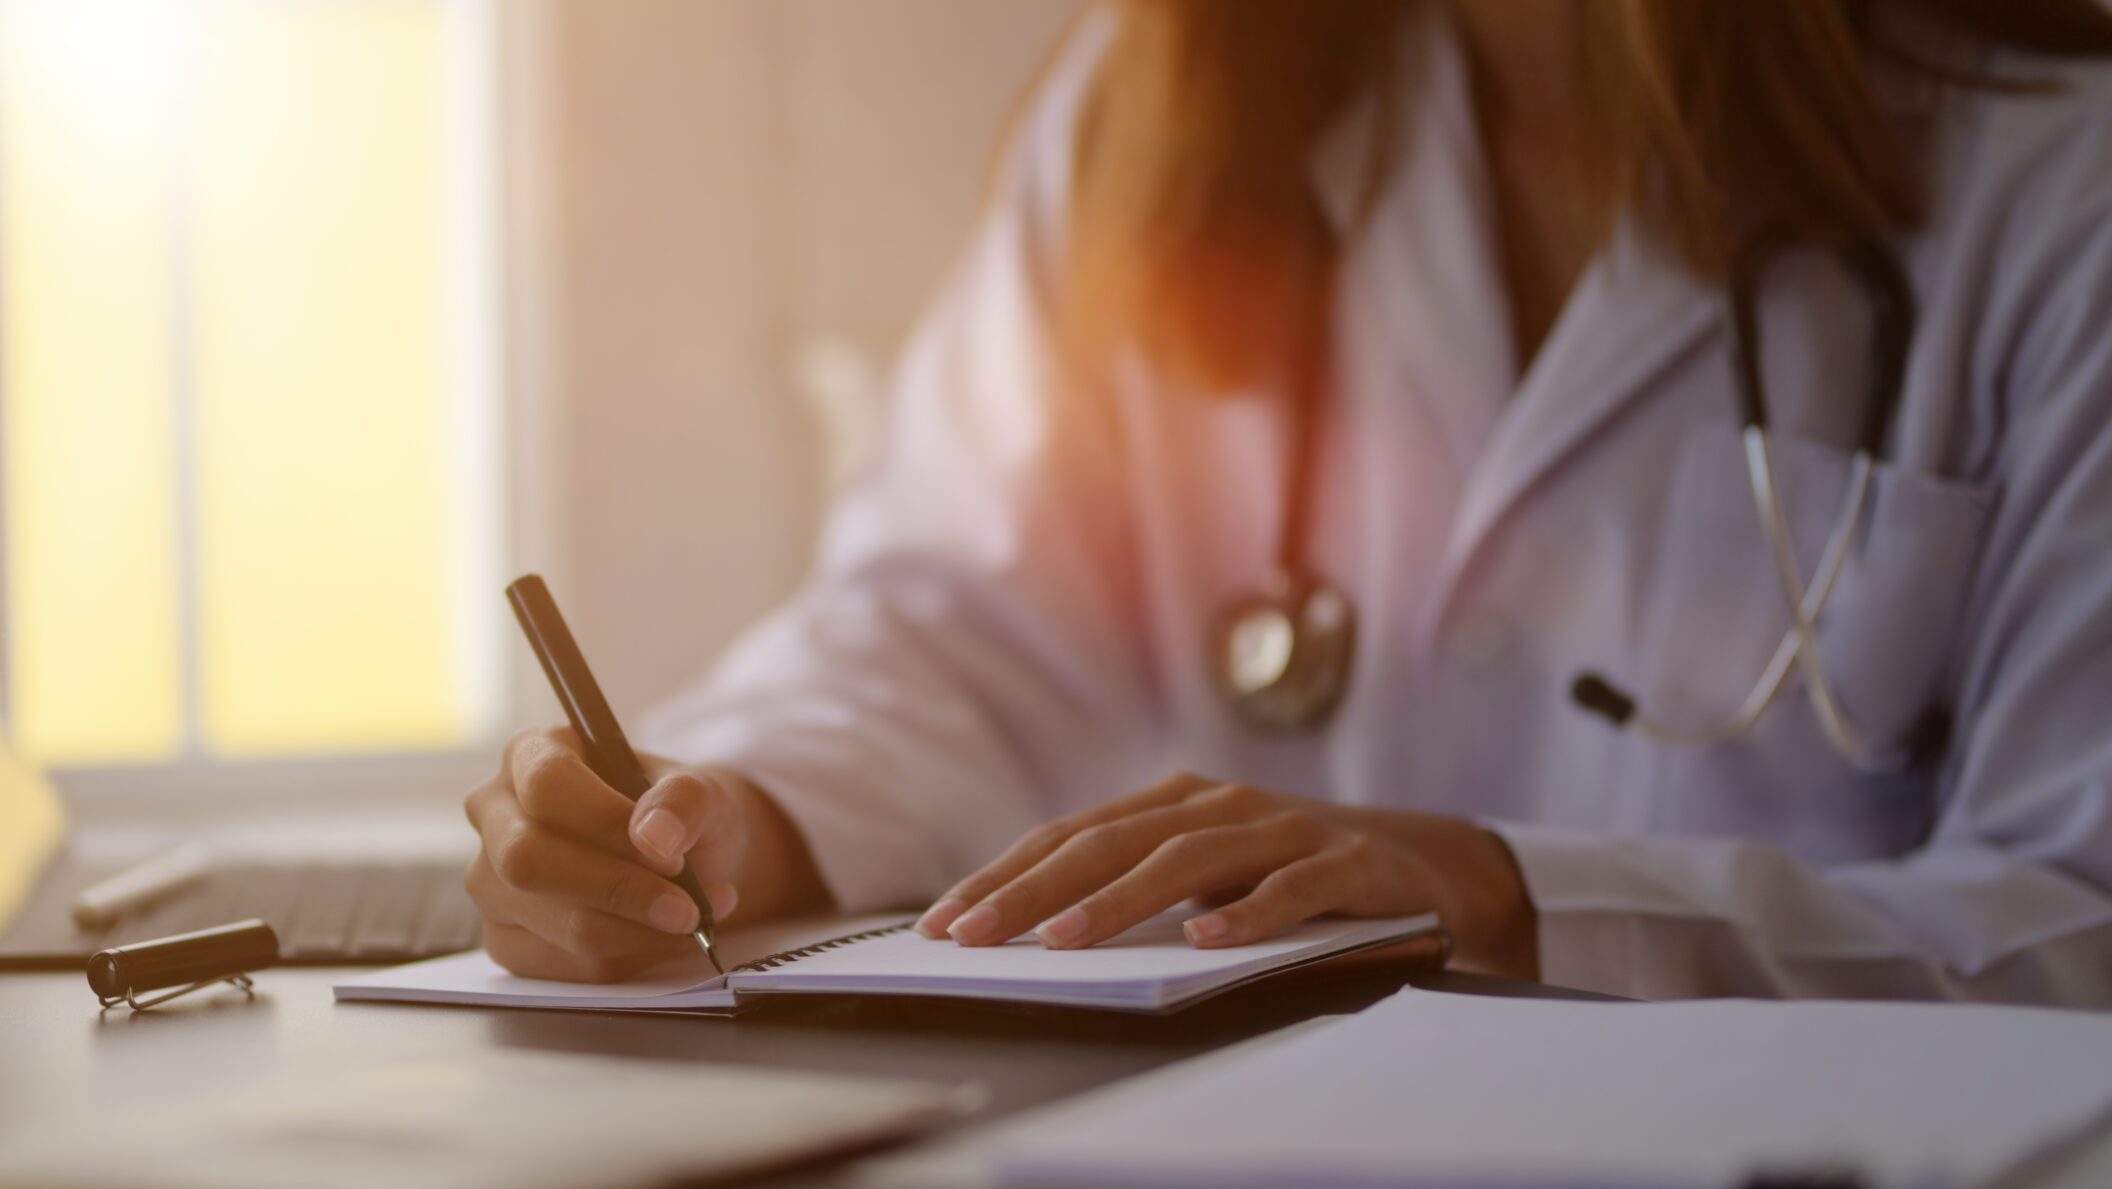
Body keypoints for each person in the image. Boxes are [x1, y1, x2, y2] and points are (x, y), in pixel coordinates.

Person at [463, 0, 2112, 1001]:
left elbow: (2077, 927)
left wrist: (1501, 889)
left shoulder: (2056, 183)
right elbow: (943, 631)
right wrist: (722, 814)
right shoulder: (1157, 115)